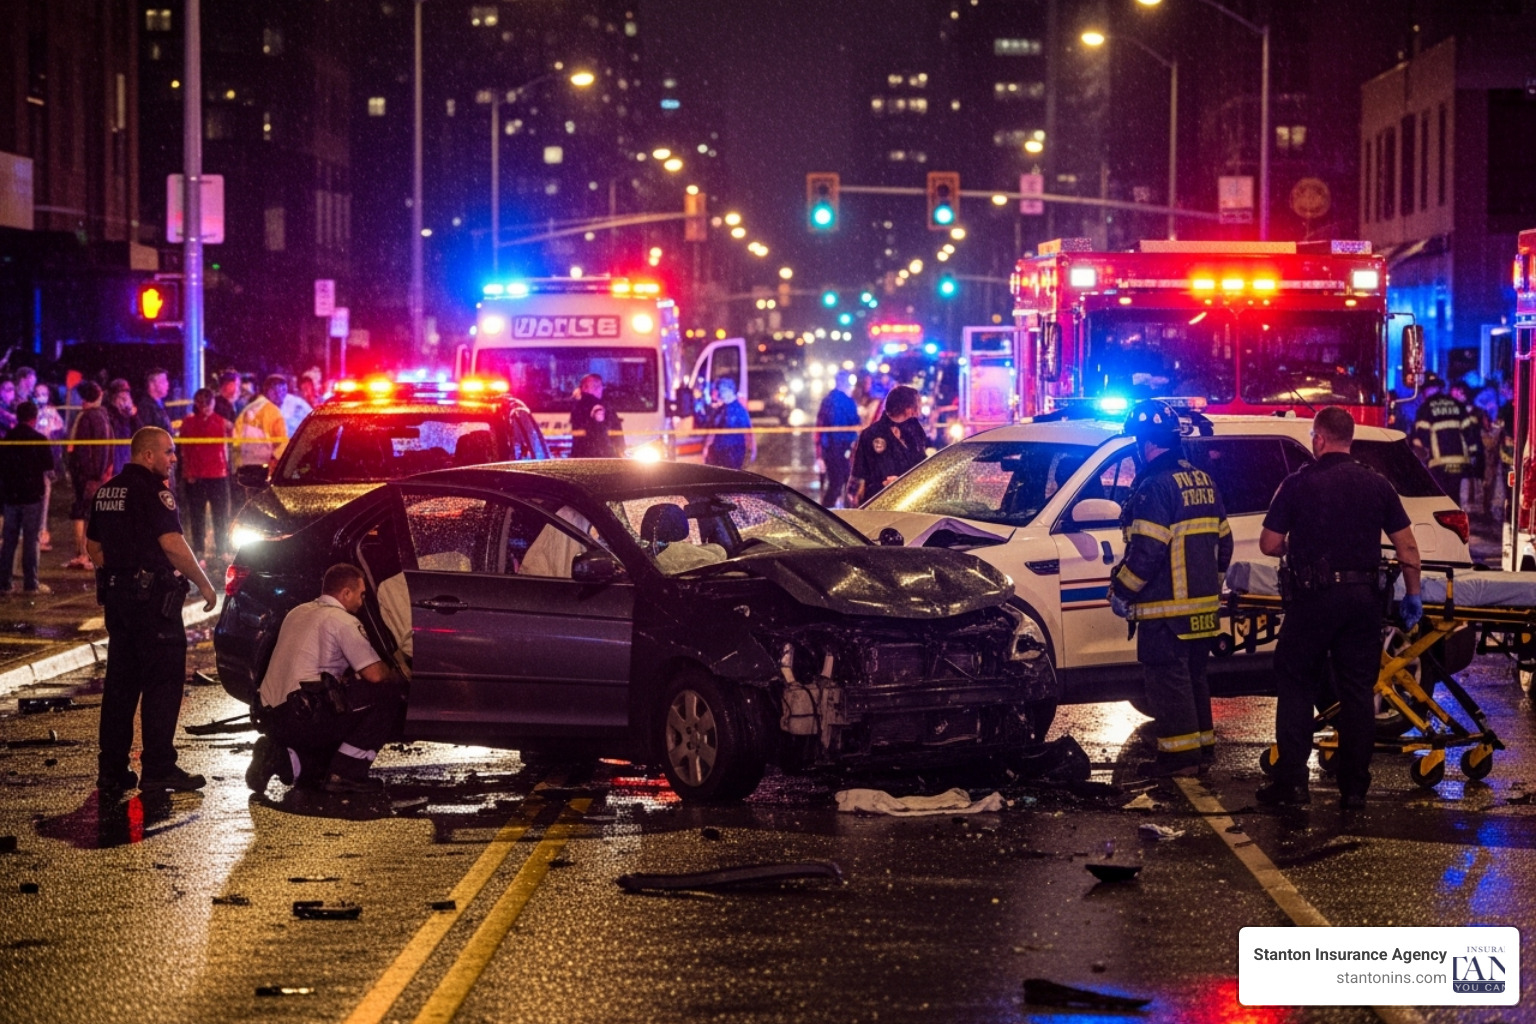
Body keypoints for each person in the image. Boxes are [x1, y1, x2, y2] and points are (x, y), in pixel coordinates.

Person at [1257, 406, 1423, 810]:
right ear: (1350, 439)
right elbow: (1408, 548)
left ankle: (1293, 784)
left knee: (1296, 682)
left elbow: (1268, 543)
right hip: (1363, 602)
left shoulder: (1297, 484)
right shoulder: (1377, 484)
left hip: (1312, 599)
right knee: (1356, 692)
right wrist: (1413, 594)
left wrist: (1299, 546)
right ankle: (1354, 789)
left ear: (1319, 438)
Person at [86, 427, 218, 796]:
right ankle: (159, 766)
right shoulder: (154, 492)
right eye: (169, 453)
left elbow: (93, 547)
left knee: (120, 684)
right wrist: (205, 584)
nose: (173, 459)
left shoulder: (106, 491)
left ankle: (112, 769)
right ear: (148, 455)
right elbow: (173, 545)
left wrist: (121, 570)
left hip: (118, 600)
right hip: (152, 604)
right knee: (162, 683)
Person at [1107, 400, 1233, 778]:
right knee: (1194, 678)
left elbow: (1146, 553)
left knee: (1168, 682)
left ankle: (1180, 761)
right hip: (1202, 612)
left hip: (1165, 613)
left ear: (1145, 443)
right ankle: (1202, 751)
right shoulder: (1203, 480)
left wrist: (1123, 591)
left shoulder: (1153, 488)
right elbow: (1224, 543)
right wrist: (1210, 585)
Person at [245, 563, 402, 794]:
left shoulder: (297, 612)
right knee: (386, 694)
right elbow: (375, 674)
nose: (362, 602)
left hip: (272, 716)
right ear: (346, 593)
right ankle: (347, 774)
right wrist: (398, 674)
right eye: (361, 594)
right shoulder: (343, 621)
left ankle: (279, 757)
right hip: (304, 716)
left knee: (316, 773)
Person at [0, 401, 58, 594]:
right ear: (34, 418)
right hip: (32, 496)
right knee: (31, 540)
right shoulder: (39, 440)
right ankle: (30, 583)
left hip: (11, 496)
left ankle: (4, 582)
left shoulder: (7, 438)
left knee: (9, 540)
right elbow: (50, 470)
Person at [177, 388, 232, 563]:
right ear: (196, 404)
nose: (206, 407)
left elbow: (228, 449)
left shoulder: (222, 423)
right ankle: (199, 550)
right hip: (197, 475)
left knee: (221, 515)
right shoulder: (188, 423)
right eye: (202, 403)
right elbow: (185, 451)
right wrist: (187, 473)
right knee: (197, 515)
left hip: (218, 474)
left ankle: (222, 549)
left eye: (208, 403)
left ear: (213, 403)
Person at [848, 384, 926, 506]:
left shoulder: (915, 430)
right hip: (882, 505)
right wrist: (882, 486)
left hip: (914, 501)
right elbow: (857, 480)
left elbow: (922, 464)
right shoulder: (871, 435)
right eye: (918, 404)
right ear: (908, 409)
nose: (920, 408)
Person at [64, 381, 113, 571]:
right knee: (92, 513)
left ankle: (85, 554)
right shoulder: (101, 415)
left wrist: (92, 475)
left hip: (88, 475)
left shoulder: (89, 417)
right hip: (96, 473)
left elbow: (86, 449)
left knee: (85, 512)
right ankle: (88, 554)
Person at [1411, 374, 1479, 500]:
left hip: (1438, 463)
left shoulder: (1425, 408)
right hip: (1460, 462)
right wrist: (1473, 455)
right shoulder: (1457, 404)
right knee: (1454, 498)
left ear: (1426, 390)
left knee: (1441, 500)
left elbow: (1421, 437)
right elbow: (1469, 432)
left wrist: (1425, 455)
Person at [816, 372, 862, 508]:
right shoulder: (843, 402)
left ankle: (830, 511)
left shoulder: (829, 400)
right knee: (841, 484)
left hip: (832, 450)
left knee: (838, 483)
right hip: (840, 449)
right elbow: (848, 426)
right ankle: (832, 513)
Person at [233, 373, 290, 473]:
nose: (284, 396)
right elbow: (282, 445)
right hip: (265, 469)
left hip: (243, 467)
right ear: (271, 391)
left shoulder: (248, 408)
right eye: (282, 391)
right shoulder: (274, 412)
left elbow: (235, 439)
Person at [32, 382, 64, 553]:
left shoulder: (52, 413)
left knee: (43, 500)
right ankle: (32, 535)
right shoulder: (30, 412)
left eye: (44, 392)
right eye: (38, 392)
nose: (41, 395)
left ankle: (41, 534)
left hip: (44, 464)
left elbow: (58, 434)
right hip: (30, 463)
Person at [702, 377, 755, 470]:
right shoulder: (723, 409)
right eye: (720, 391)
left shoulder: (738, 410)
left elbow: (748, 433)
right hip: (722, 453)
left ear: (730, 390)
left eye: (722, 390)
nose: (720, 394)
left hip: (733, 452)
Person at [570, 373, 621, 457]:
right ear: (584, 388)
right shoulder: (597, 406)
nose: (600, 389)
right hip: (599, 456)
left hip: (583, 457)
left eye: (600, 386)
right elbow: (602, 433)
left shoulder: (579, 405)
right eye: (596, 386)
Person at [105, 379, 137, 476]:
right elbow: (116, 432)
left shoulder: (130, 414)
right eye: (122, 397)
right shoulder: (108, 413)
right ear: (113, 398)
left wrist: (133, 415)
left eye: (127, 397)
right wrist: (120, 413)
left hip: (127, 458)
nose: (125, 400)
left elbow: (139, 431)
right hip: (114, 461)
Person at [134, 368, 174, 434]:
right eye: (163, 381)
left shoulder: (161, 405)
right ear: (152, 384)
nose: (167, 384)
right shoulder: (145, 407)